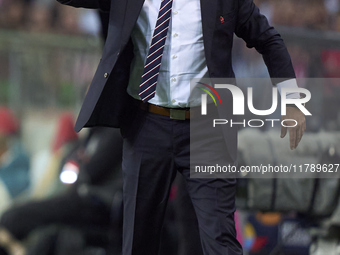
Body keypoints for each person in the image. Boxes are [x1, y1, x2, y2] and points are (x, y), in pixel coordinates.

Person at [55, 0, 306, 254]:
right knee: (138, 240)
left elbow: (267, 38)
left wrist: (292, 100)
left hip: (208, 129)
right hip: (146, 124)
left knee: (219, 239)